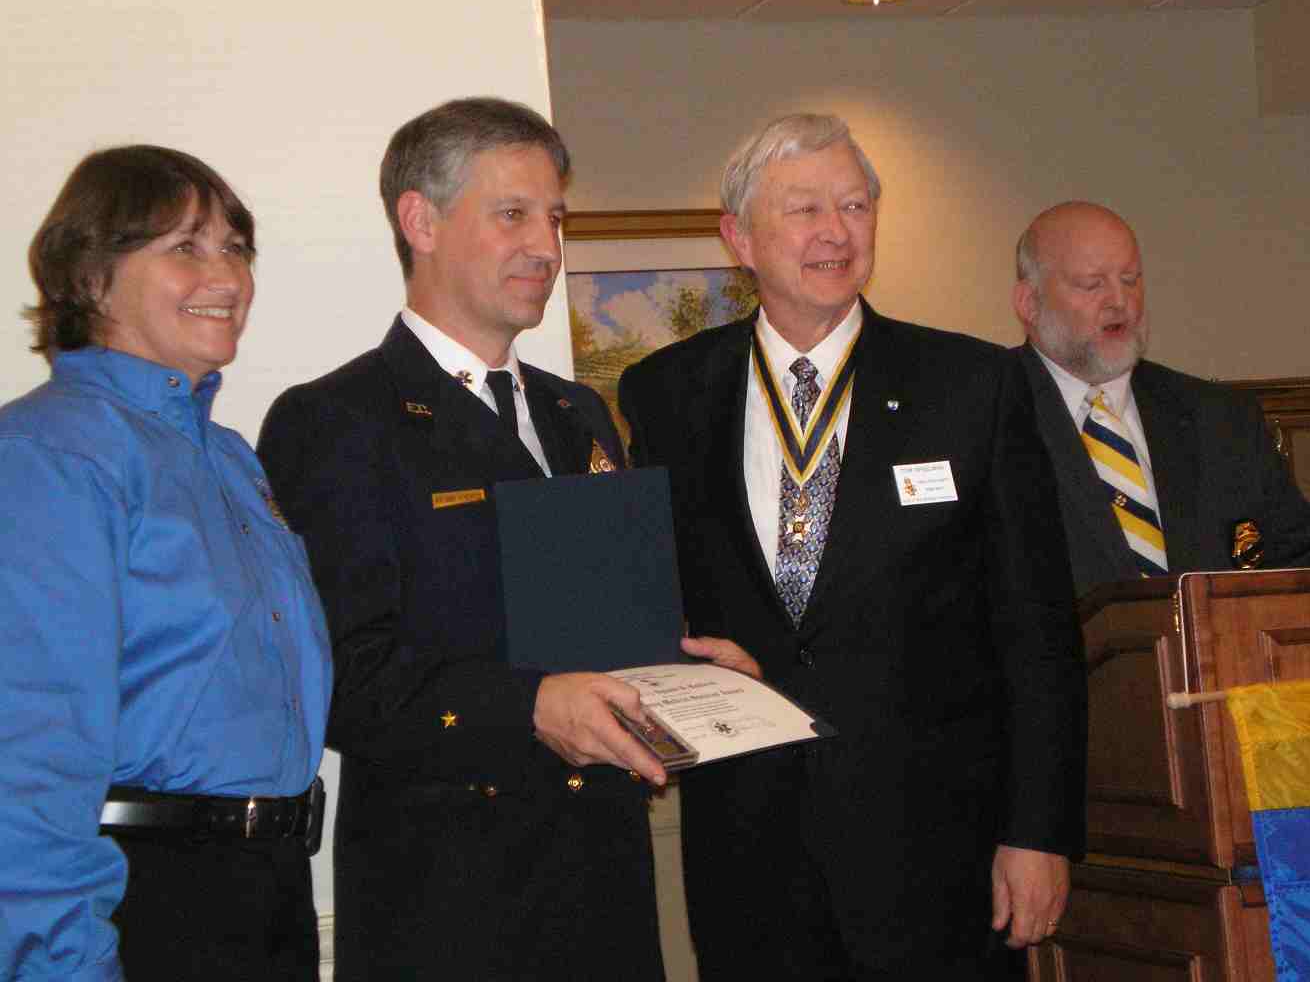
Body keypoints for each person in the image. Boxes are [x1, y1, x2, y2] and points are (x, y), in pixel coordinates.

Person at [616, 113, 1086, 980]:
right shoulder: (665, 394)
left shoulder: (972, 386)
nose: (836, 232)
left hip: (944, 854)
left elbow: (1039, 628)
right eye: (804, 210)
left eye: (856, 205)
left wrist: (1039, 832)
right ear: (739, 239)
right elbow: (653, 599)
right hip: (748, 849)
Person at [257, 97, 705, 981]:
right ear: (418, 220)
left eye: (556, 217)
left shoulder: (578, 412)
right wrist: (531, 706)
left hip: (605, 882)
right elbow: (341, 678)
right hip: (453, 902)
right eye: (514, 215)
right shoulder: (338, 421)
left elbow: (593, 627)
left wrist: (685, 669)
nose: (548, 245)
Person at [0, 145, 333, 981]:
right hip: (142, 899)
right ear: (90, 277)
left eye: (235, 247)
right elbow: (29, 752)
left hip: (266, 893)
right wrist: (62, 963)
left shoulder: (228, 457)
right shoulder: (52, 454)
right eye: (185, 247)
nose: (227, 275)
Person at [1011, 200, 1310, 599]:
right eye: (1093, 284)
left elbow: (1303, 554)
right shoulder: (985, 413)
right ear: (1029, 303)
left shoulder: (1220, 418)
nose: (1119, 300)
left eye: (1130, 279)